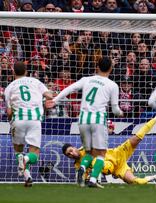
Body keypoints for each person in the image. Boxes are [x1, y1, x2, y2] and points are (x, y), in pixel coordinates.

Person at [47, 57, 123, 188]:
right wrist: (120, 113)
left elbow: (69, 89)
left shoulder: (86, 80)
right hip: (98, 120)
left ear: (97, 67)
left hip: (82, 119)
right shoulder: (113, 85)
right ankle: (93, 179)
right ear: (111, 68)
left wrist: (55, 99)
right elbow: (115, 109)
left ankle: (82, 167)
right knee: (101, 154)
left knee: (89, 153)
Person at [62, 116, 156, 185]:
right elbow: (82, 179)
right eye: (69, 154)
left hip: (118, 154)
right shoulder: (78, 165)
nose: (72, 154)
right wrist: (84, 180)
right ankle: (154, 177)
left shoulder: (85, 148)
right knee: (135, 182)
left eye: (71, 150)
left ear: (74, 147)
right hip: (116, 168)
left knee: (136, 138)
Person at [4, 61, 53, 187]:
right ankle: (25, 161)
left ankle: (27, 176)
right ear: (26, 71)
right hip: (34, 120)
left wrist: (11, 120)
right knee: (34, 154)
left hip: (18, 120)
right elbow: (49, 95)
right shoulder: (35, 82)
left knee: (18, 151)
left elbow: (9, 112)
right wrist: (51, 97)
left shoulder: (9, 87)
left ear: (13, 72)